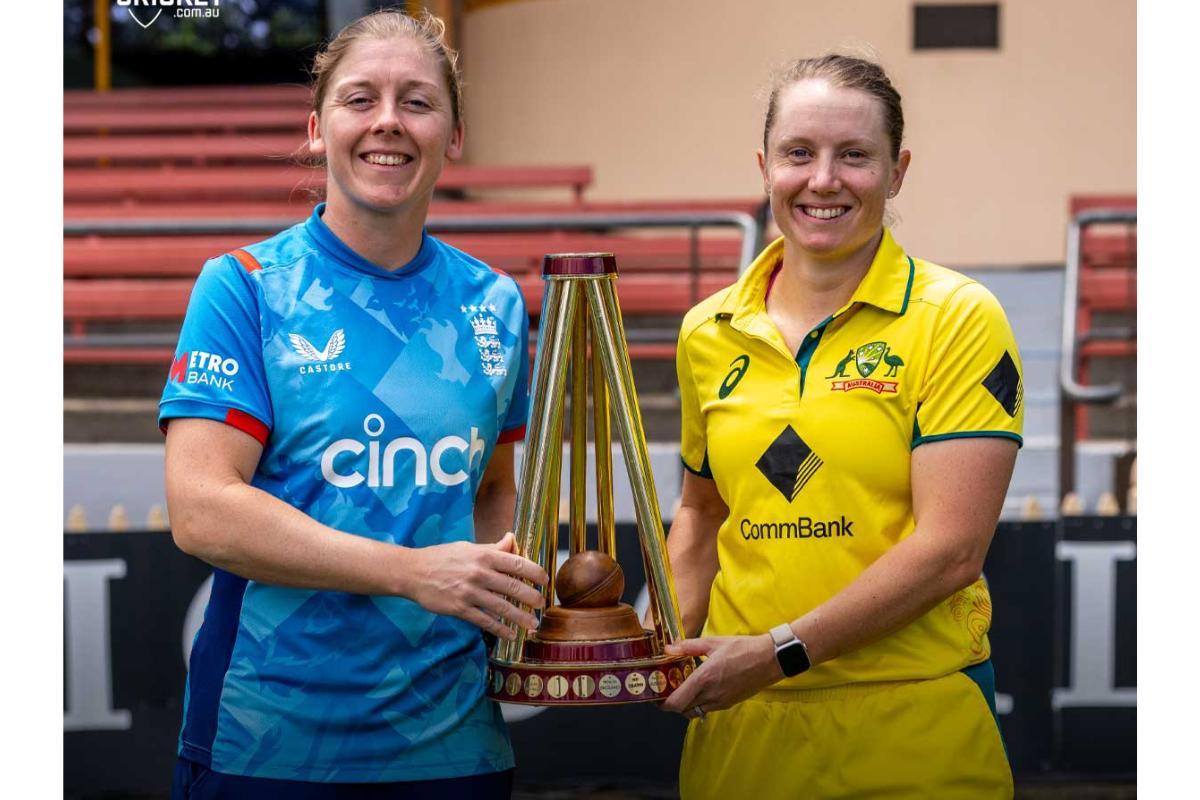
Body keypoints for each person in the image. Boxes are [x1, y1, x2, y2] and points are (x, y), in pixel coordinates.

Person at [160, 10, 548, 799]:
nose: (388, 123)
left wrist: (506, 596)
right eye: (360, 99)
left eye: (417, 101)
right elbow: (202, 508)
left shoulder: (496, 302)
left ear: (454, 134)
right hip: (269, 743)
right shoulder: (244, 287)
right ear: (316, 128)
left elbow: (494, 488)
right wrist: (410, 573)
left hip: (452, 745)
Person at [658, 55, 1023, 798]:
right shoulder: (707, 330)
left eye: (854, 155)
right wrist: (655, 642)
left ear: (897, 172)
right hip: (741, 735)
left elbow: (952, 550)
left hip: (913, 731)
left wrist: (776, 652)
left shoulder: (957, 317)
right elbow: (701, 512)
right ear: (765, 167)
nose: (823, 179)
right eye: (799, 153)